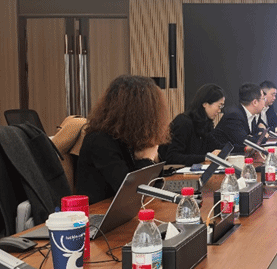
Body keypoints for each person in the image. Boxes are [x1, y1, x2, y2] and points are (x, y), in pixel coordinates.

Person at [76, 75, 170, 204]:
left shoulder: (129, 137)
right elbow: (130, 194)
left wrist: (154, 158)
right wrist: (147, 159)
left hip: (123, 209)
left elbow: (156, 185)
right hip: (100, 212)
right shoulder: (100, 141)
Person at [161, 84, 225, 165]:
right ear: (205, 104)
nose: (219, 111)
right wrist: (205, 158)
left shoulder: (206, 123)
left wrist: (240, 148)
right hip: (176, 171)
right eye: (219, 106)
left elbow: (217, 146)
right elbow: (172, 156)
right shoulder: (183, 122)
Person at [212, 82, 266, 154]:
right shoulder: (234, 115)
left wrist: (260, 134)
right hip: (222, 156)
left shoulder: (250, 115)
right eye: (263, 99)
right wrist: (263, 137)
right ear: (255, 102)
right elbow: (244, 142)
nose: (264, 103)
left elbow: (256, 133)